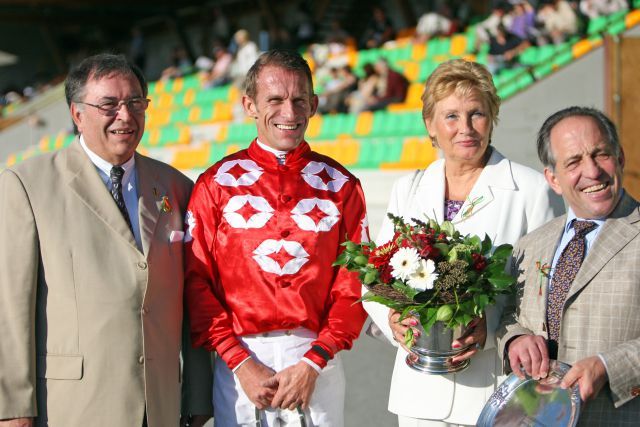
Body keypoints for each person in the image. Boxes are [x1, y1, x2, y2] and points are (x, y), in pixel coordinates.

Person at [0, 53, 213, 427]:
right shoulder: (26, 185)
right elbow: (9, 308)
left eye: (135, 103)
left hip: (159, 406)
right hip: (72, 407)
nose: (125, 117)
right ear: (77, 114)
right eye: (109, 105)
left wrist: (198, 394)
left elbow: (193, 299)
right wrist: (14, 408)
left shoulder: (178, 187)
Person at [364, 58, 564, 426]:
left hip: (495, 391)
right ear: (431, 126)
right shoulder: (407, 188)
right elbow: (376, 280)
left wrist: (489, 329)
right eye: (451, 116)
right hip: (418, 393)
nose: (466, 128)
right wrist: (393, 320)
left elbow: (547, 292)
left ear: (493, 118)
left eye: (477, 114)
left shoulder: (532, 190)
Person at [184, 50, 369, 426]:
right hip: (240, 365)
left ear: (314, 104)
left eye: (299, 100)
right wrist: (238, 361)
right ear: (249, 105)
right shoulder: (215, 184)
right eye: (275, 100)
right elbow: (195, 281)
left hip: (318, 363)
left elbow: (355, 283)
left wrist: (314, 361)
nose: (289, 112)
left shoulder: (342, 186)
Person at [497, 106, 640, 425]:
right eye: (574, 161)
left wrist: (608, 365)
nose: (592, 171)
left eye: (600, 154)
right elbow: (508, 313)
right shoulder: (531, 244)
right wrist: (515, 340)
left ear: (620, 158)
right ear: (553, 179)